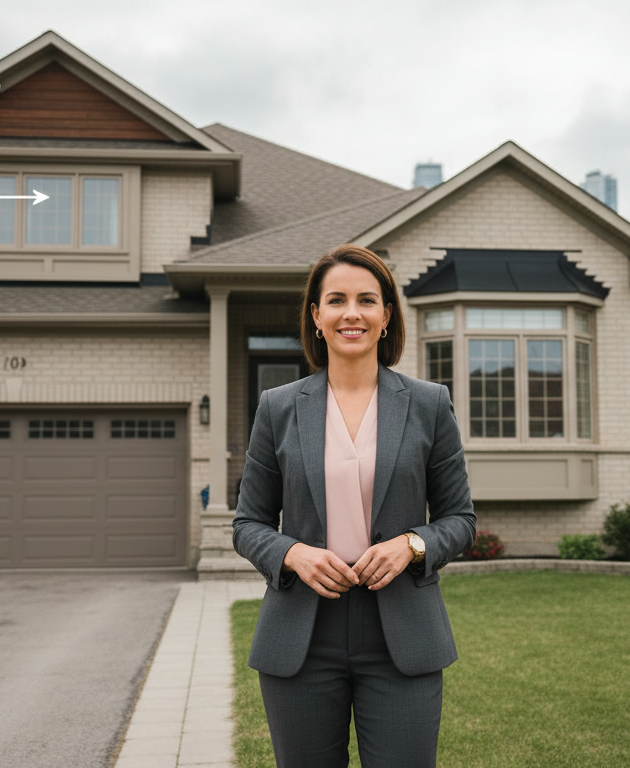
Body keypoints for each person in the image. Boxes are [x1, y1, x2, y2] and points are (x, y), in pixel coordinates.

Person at [233, 243, 476, 768]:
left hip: (402, 638)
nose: (352, 313)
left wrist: (412, 545)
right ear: (316, 316)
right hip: (301, 633)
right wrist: (293, 553)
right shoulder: (278, 408)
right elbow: (248, 524)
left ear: (386, 315)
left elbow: (460, 519)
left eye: (367, 300)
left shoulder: (429, 404)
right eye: (336, 300)